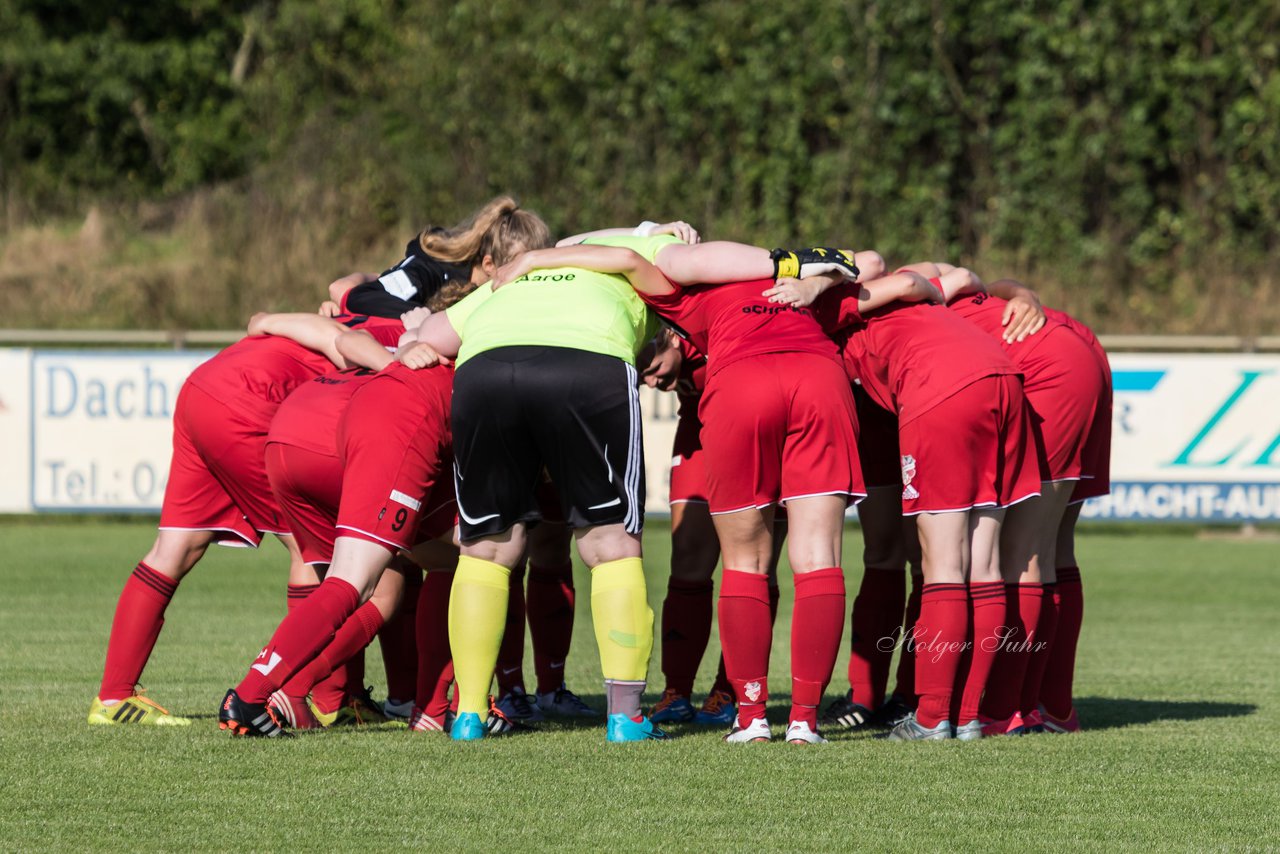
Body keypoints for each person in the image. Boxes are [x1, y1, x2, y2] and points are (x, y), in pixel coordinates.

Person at [217, 208, 551, 738]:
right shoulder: (501, 308)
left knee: (463, 555)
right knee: (358, 579)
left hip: (321, 424)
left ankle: (432, 708)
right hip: (393, 425)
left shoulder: (436, 308)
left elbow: (345, 298)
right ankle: (253, 696)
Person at [412, 240, 671, 742]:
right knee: (610, 543)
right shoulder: (632, 268)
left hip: (485, 370)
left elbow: (433, 335)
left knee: (485, 548)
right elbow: (672, 301)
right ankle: (625, 718)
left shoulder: (509, 278)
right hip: (587, 366)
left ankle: (468, 715)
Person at [87, 309, 390, 726]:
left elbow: (258, 320)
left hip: (203, 386)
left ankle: (114, 697)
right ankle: (320, 699)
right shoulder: (373, 345)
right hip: (248, 398)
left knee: (176, 545)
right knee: (312, 549)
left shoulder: (326, 325)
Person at [776, 265, 1041, 741]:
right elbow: (953, 275)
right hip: (1003, 377)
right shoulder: (897, 308)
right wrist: (1013, 290)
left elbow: (907, 281)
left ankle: (935, 716)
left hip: (942, 388)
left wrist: (814, 287)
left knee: (942, 563)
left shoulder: (832, 305)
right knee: (982, 562)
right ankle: (966, 717)